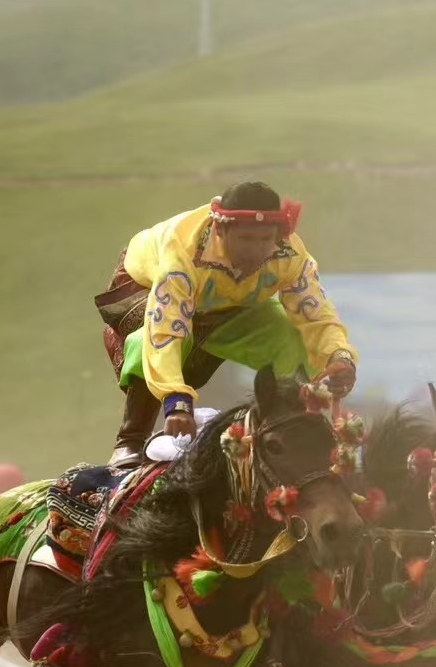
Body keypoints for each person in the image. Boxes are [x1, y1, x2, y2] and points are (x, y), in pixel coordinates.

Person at [95, 181, 359, 466]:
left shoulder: (292, 257)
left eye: (265, 240)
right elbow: (166, 326)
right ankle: (130, 442)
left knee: (290, 336)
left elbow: (316, 316)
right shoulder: (182, 251)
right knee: (147, 339)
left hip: (232, 299)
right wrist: (175, 400)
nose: (256, 251)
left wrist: (338, 358)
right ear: (220, 230)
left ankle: (290, 427)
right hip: (146, 286)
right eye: (245, 239)